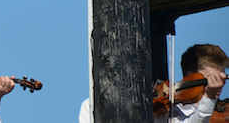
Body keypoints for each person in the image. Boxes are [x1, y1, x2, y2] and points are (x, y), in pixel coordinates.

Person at [77, 43, 227, 123]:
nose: (219, 85)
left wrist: (209, 98)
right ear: (192, 76)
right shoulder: (166, 110)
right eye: (212, 78)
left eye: (222, 79)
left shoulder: (184, 115)